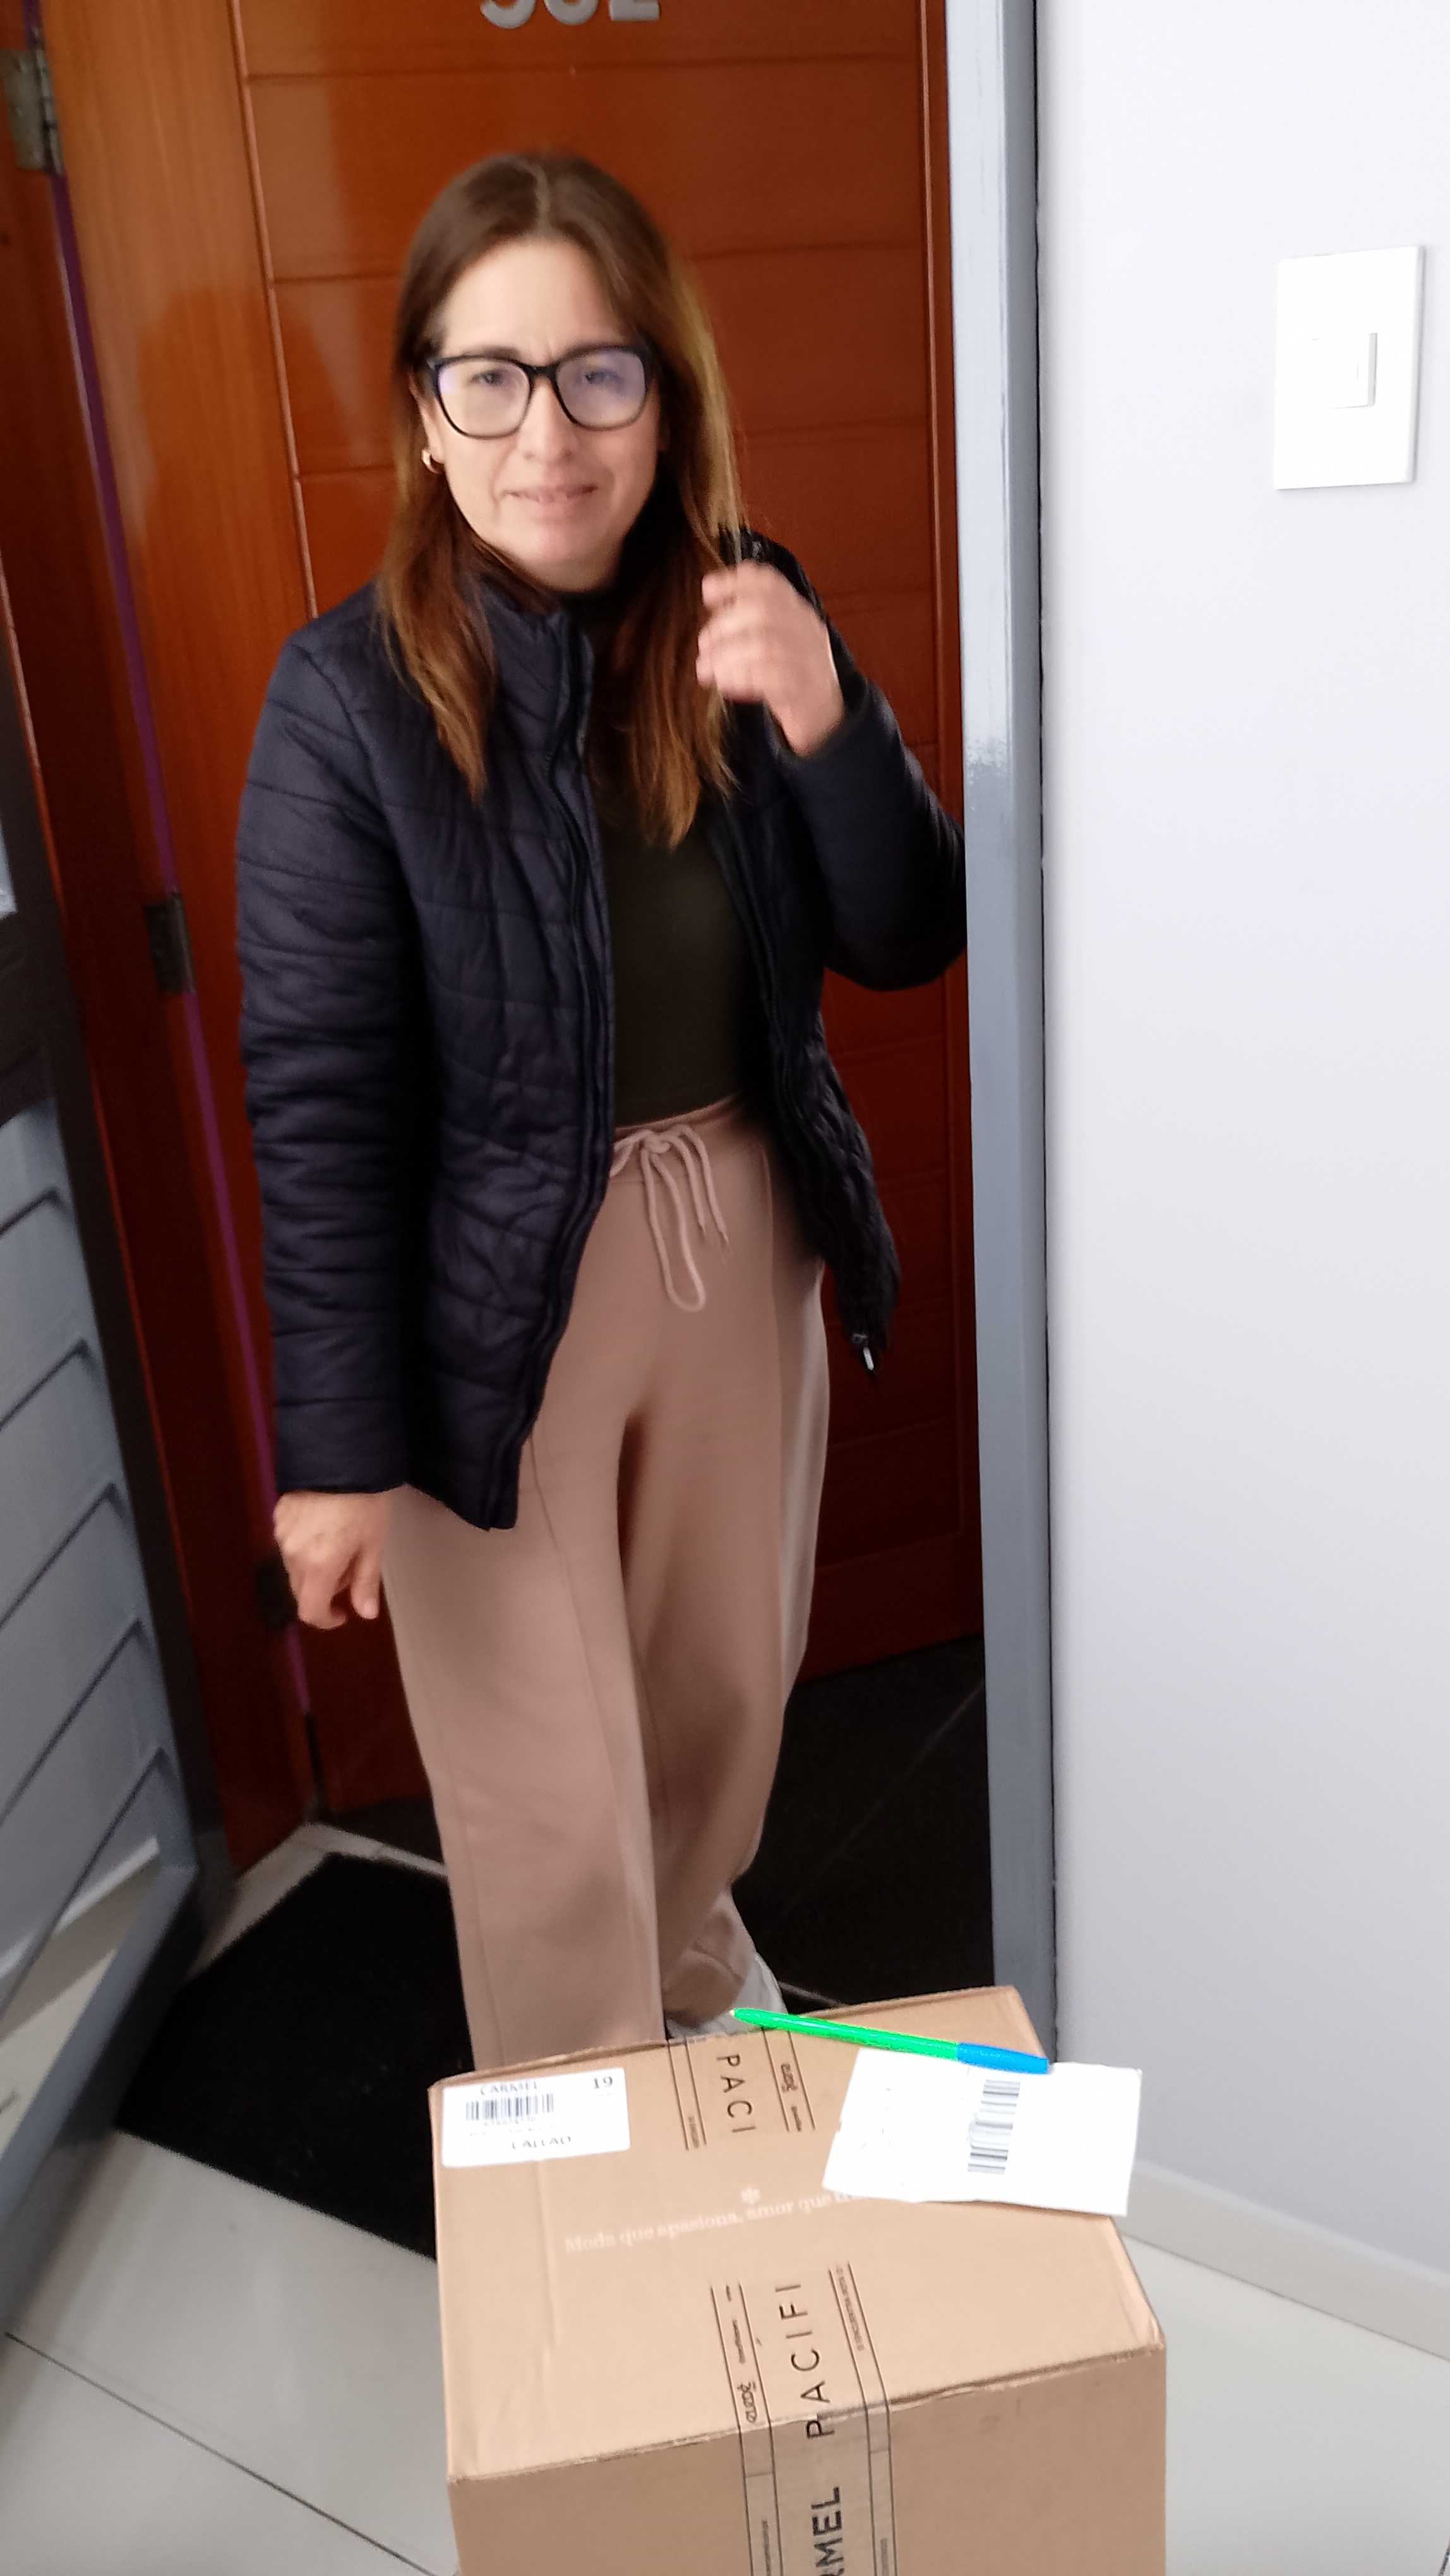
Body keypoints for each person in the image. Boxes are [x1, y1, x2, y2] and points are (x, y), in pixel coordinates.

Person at [236, 150, 964, 2075]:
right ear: (424, 413)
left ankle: (698, 1990)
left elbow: (909, 930)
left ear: (666, 397)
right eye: (490, 377)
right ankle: (584, 2139)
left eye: (597, 375)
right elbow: (317, 1094)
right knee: (547, 1786)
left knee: (722, 1706)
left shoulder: (746, 609)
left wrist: (828, 716)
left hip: (738, 1229)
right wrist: (334, 1455)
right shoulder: (345, 702)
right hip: (489, 1293)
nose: (546, 435)